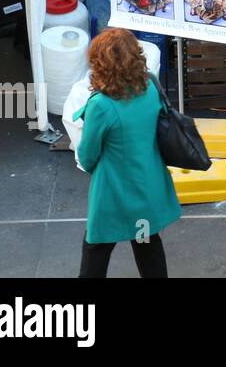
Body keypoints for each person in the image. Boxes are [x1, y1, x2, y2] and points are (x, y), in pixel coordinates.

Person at [75, 29, 181, 278]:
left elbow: (88, 155)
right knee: (147, 245)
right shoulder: (151, 86)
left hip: (113, 193)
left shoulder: (101, 105)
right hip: (147, 185)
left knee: (96, 249)